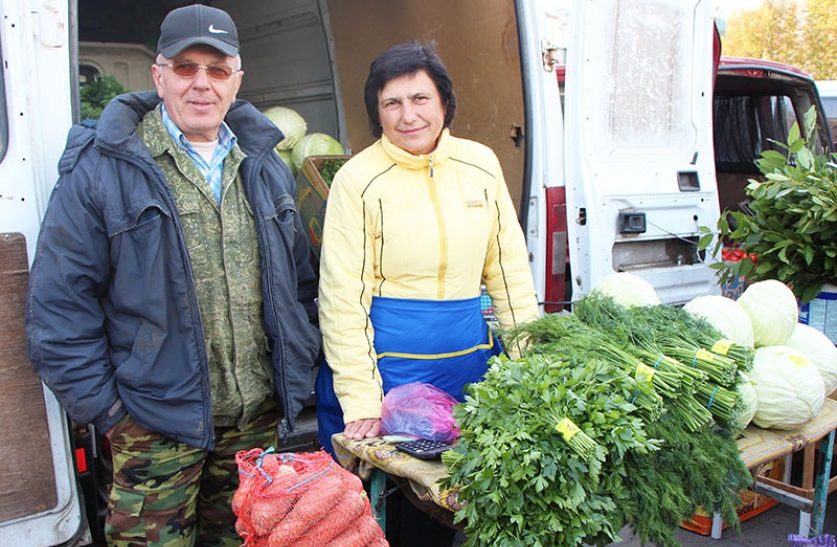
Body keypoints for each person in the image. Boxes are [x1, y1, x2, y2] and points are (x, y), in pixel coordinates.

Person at [26, 5, 320, 545]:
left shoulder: (264, 163)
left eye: (217, 69)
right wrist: (112, 413)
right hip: (153, 424)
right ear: (158, 75)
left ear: (237, 80)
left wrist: (294, 374)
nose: (201, 84)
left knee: (241, 539)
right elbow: (59, 308)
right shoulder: (105, 165)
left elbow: (298, 285)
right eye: (186, 67)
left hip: (254, 422)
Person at [315, 41, 538, 544]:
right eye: (392, 103)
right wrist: (361, 400)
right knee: (388, 518)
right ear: (376, 111)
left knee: (461, 507)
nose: (408, 115)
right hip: (387, 370)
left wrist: (531, 366)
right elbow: (341, 297)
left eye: (420, 99)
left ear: (444, 103)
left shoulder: (480, 165)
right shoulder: (359, 179)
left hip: (465, 364)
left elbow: (508, 275)